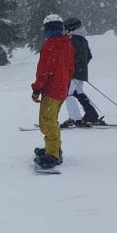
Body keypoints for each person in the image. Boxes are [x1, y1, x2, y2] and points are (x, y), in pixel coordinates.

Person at [31, 14, 75, 170]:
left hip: (52, 91)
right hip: (61, 89)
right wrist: (65, 83)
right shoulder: (67, 44)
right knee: (51, 121)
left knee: (47, 123)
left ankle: (53, 155)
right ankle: (54, 148)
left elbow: (43, 71)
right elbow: (70, 68)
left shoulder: (50, 45)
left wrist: (37, 89)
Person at [60, 17, 101, 128]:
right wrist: (82, 67)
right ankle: (91, 115)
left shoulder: (72, 40)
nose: (65, 30)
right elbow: (89, 56)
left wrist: (71, 68)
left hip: (73, 73)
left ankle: (75, 119)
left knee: (68, 94)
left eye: (66, 28)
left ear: (71, 27)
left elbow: (73, 58)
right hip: (81, 73)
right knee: (78, 92)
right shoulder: (83, 39)